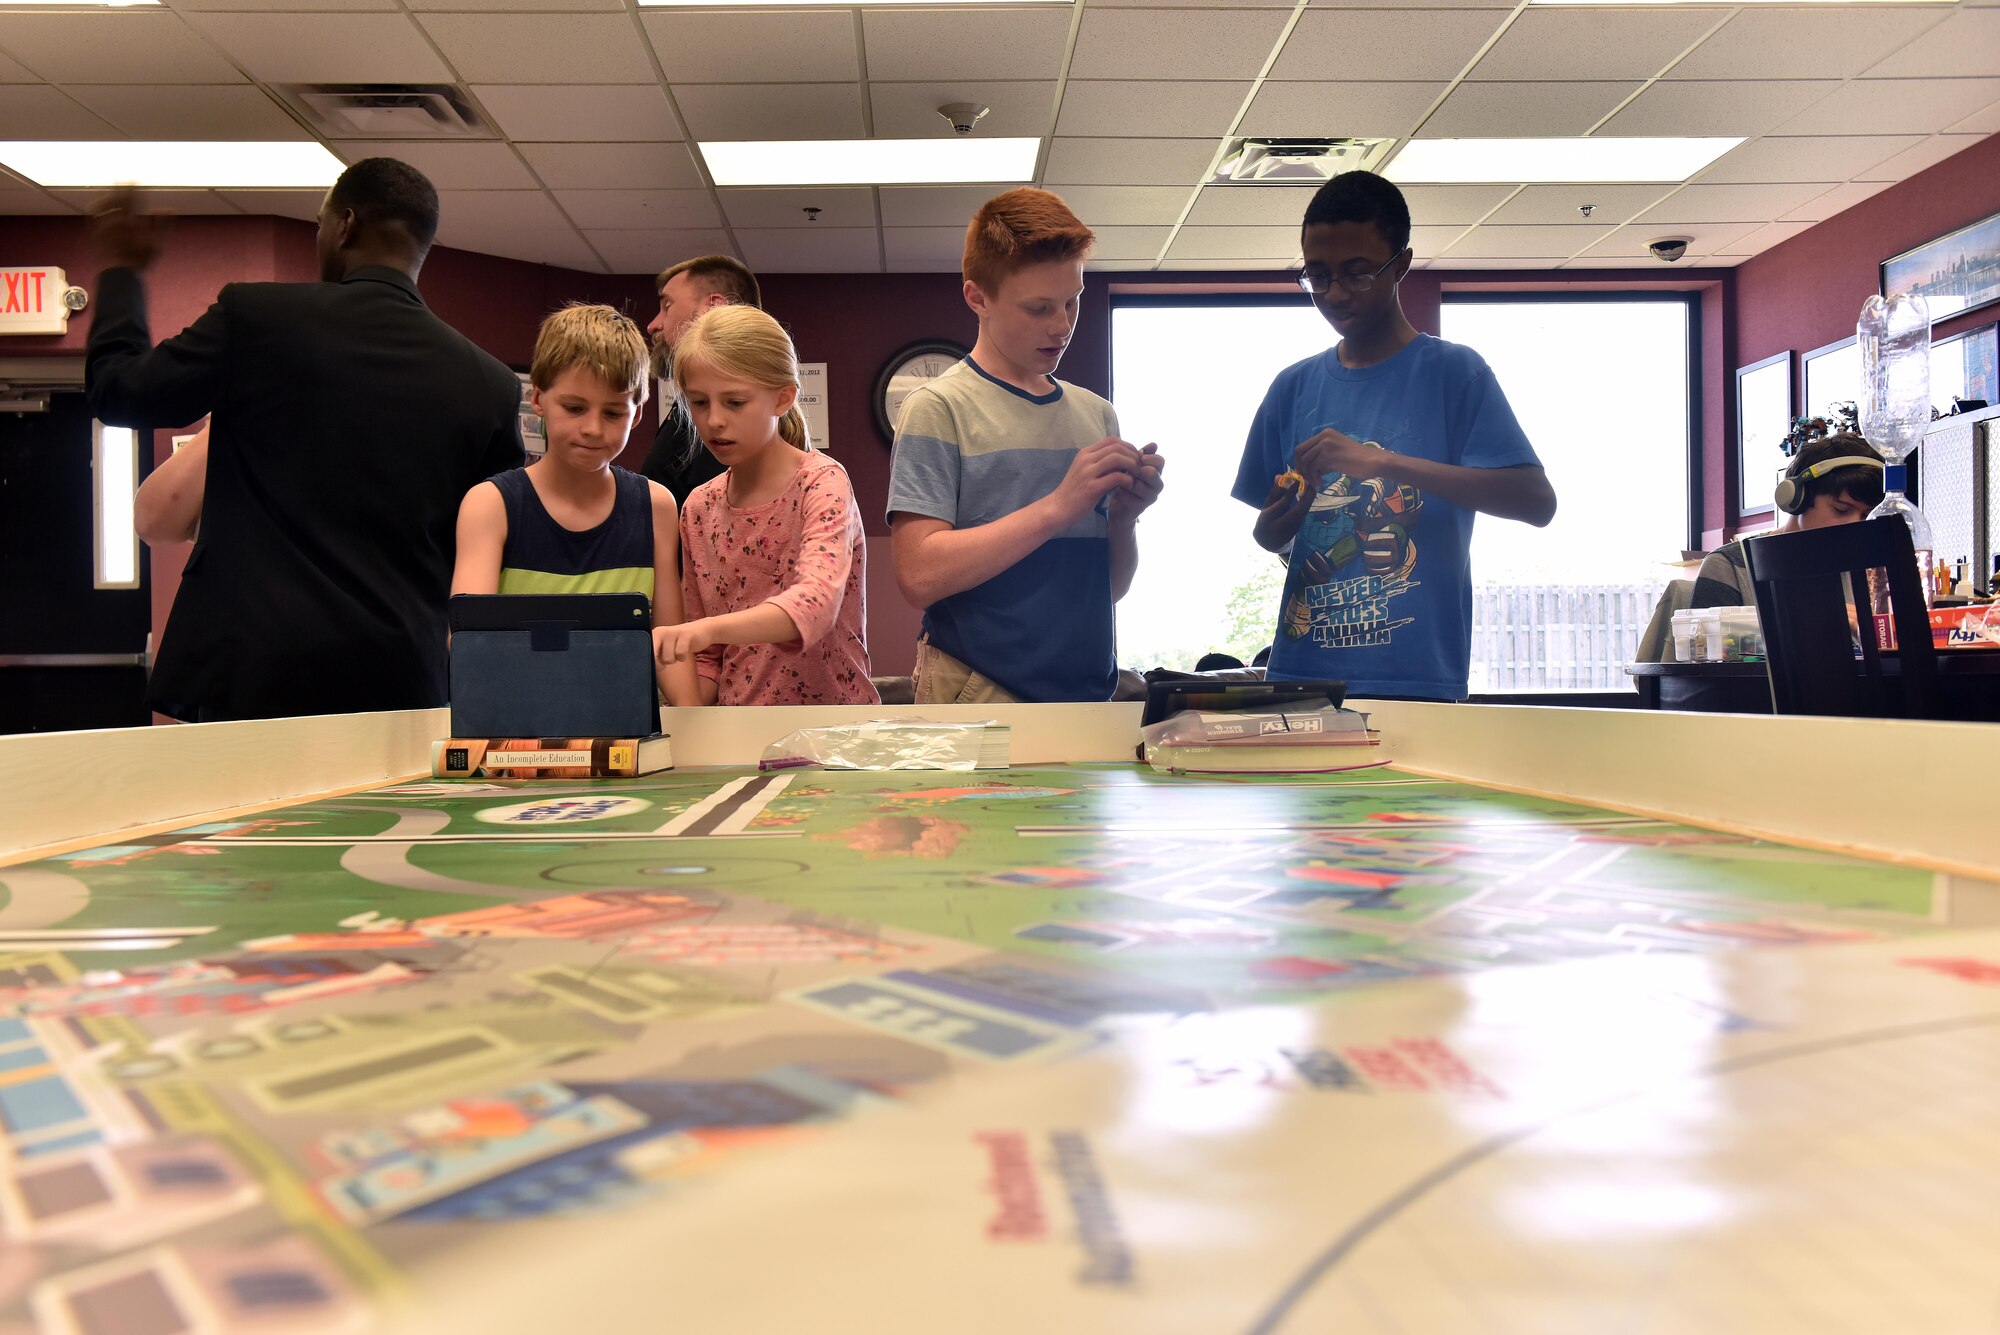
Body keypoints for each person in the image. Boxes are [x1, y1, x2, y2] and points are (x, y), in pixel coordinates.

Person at [86, 158, 525, 722]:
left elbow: (122, 394)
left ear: (345, 224)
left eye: (319, 224)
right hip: (399, 682)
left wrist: (121, 272)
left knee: (256, 815)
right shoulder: (486, 381)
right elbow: (492, 545)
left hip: (252, 674)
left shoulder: (258, 321)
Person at [1233, 171, 1555, 702]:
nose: (1334, 294)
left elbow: (1536, 502)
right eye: (1317, 275)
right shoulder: (1292, 388)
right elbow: (1273, 539)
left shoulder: (1455, 373)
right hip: (1301, 673)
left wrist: (1381, 464)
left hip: (1417, 677)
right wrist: (1276, 525)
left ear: (1401, 264)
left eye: (1357, 274)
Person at [886, 187, 1164, 704]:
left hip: (1087, 692)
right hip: (977, 689)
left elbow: (1109, 590)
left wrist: (1124, 517)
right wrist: (1060, 506)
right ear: (977, 298)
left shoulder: (1096, 413)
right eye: (1038, 308)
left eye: (1072, 301)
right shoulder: (937, 407)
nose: (1061, 325)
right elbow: (918, 576)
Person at [450, 304, 700, 707]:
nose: (592, 428)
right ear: (538, 400)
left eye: (614, 412)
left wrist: (697, 728)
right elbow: (471, 643)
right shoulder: (490, 505)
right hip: (520, 731)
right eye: (574, 408)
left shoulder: (656, 505)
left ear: (636, 415)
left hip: (626, 734)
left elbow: (668, 645)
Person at [657, 305, 877, 706]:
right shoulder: (698, 508)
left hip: (837, 733)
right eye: (700, 403)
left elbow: (814, 605)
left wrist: (705, 630)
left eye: (735, 402)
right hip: (740, 736)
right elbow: (709, 660)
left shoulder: (821, 481)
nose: (714, 420)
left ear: (783, 398)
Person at [1690, 434, 1885, 608]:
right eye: (1841, 509)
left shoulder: (1870, 569)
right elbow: (1712, 647)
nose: (1856, 525)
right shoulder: (1730, 566)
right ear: (1797, 499)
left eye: (1866, 515)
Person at [639, 254, 762, 506]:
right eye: (700, 402)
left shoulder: (729, 423)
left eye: (668, 306)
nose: (653, 325)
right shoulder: (688, 409)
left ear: (714, 307)